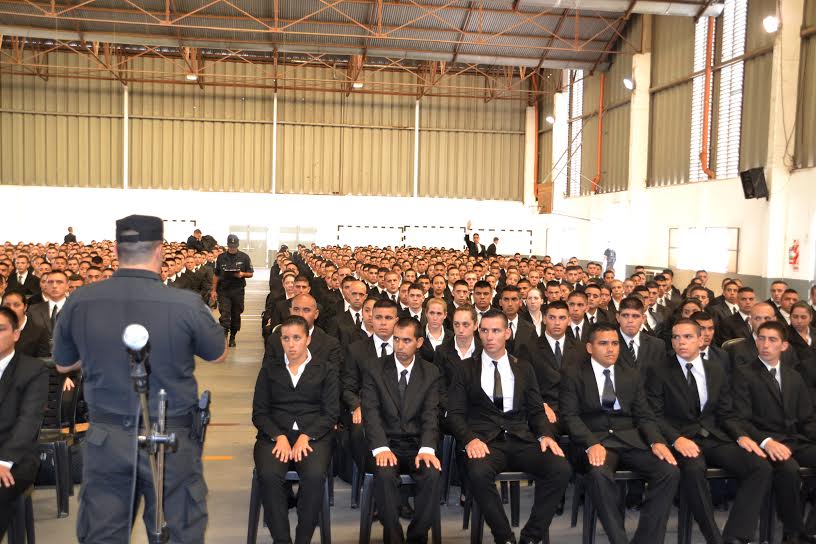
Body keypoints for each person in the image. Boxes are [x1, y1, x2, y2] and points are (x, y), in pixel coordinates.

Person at [52, 215, 227, 544]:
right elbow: (217, 354)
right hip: (171, 436)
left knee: (102, 534)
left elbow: (63, 364)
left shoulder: (80, 301)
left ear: (117, 250)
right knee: (175, 532)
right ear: (160, 250)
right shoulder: (186, 304)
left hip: (107, 436)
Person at [446, 309, 571, 544]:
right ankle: (504, 538)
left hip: (520, 439)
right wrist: (470, 438)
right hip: (485, 442)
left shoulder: (523, 367)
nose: (489, 336)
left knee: (560, 468)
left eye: (495, 331)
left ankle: (531, 537)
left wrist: (545, 434)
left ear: (508, 333)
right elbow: (454, 414)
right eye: (484, 331)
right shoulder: (465, 369)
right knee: (478, 472)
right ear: (478, 333)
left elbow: (536, 410)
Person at [645, 319, 772, 544]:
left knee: (760, 465)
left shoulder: (716, 369)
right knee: (694, 470)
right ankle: (714, 537)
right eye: (676, 337)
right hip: (681, 437)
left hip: (714, 436)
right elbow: (654, 414)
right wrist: (676, 439)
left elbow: (726, 413)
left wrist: (741, 435)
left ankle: (736, 535)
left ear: (701, 339)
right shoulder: (659, 370)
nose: (680, 342)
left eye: (687, 337)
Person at [559, 323, 679, 544]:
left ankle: (646, 539)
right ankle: (619, 539)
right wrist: (590, 443)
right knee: (598, 474)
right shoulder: (574, 374)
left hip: (629, 439)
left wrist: (656, 442)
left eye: (614, 343)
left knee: (669, 470)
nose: (611, 349)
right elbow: (569, 416)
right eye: (603, 343)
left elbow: (644, 415)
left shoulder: (630, 374)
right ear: (589, 347)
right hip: (596, 440)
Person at [252, 315, 338, 544]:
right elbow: (259, 413)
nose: (291, 344)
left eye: (297, 338)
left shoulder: (326, 369)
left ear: (307, 340)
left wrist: (306, 436)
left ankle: (303, 538)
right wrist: (278, 436)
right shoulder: (269, 370)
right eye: (286, 338)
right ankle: (282, 539)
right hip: (274, 436)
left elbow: (330, 413)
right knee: (269, 476)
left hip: (313, 437)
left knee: (313, 476)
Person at [731, 321, 816, 544]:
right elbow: (741, 419)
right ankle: (793, 532)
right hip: (764, 440)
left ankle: (811, 528)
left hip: (794, 440)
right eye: (761, 338)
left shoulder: (794, 376)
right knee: (789, 469)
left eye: (772, 340)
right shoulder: (743, 373)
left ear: (784, 346)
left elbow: (807, 420)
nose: (765, 344)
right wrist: (766, 441)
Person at [362, 317, 442, 544]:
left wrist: (427, 448)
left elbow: (430, 415)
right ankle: (393, 537)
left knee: (432, 474)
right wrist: (380, 448)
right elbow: (371, 412)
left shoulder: (431, 372)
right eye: (396, 339)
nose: (399, 346)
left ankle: (417, 537)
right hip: (386, 442)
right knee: (385, 474)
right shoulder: (374, 368)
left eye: (406, 341)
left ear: (419, 342)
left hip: (418, 443)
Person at [0, 306, 48, 539]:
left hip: (15, 457)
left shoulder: (33, 369)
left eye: (0, 329)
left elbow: (28, 420)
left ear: (16, 334)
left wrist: (3, 461)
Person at [211, 233, 254, 347]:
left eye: (234, 246)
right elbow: (216, 275)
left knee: (236, 314)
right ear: (227, 245)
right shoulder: (221, 257)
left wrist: (242, 274)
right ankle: (224, 335)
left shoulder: (244, 257)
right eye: (230, 246)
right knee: (224, 314)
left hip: (238, 290)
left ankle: (233, 336)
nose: (232, 248)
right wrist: (213, 290)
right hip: (224, 290)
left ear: (238, 245)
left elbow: (250, 273)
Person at [2, 290, 50, 358]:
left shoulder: (39, 330)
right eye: (7, 305)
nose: (11, 309)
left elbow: (42, 361)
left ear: (25, 307)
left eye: (16, 305)